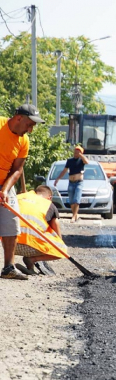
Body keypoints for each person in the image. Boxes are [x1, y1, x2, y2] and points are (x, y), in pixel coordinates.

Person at [0, 104, 45, 280]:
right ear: (19, 118)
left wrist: (4, 189)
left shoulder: (23, 141)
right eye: (29, 124)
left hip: (5, 184)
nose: (31, 130)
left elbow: (17, 170)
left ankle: (8, 267)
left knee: (11, 222)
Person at [14, 185, 67, 276]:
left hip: (10, 245)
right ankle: (32, 259)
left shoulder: (19, 197)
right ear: (50, 197)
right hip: (30, 246)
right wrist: (59, 244)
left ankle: (16, 266)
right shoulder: (48, 204)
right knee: (62, 250)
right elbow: (56, 225)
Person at [55, 145, 90, 223]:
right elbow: (64, 171)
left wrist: (81, 155)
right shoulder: (70, 161)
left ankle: (74, 216)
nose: (76, 153)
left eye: (78, 151)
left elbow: (87, 162)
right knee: (71, 200)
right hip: (71, 182)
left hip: (79, 183)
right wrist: (58, 179)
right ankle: (75, 214)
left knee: (76, 199)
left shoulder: (81, 161)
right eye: (75, 151)